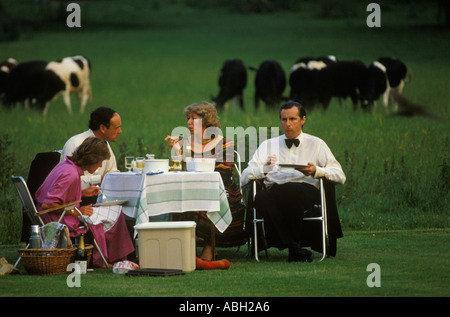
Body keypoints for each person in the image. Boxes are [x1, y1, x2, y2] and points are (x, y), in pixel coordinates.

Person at [240, 101, 346, 262]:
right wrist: (264, 169)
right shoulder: (268, 145)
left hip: (306, 191)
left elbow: (340, 175)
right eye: (284, 119)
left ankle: (293, 246)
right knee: (260, 198)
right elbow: (244, 177)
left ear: (303, 120)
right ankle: (294, 247)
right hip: (275, 191)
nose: (287, 124)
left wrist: (316, 171)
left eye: (292, 119)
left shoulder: (316, 144)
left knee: (291, 190)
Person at [165, 102, 246, 261]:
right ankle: (187, 248)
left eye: (193, 119)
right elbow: (178, 172)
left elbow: (223, 172)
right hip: (190, 190)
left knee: (207, 204)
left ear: (206, 121)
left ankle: (210, 246)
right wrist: (177, 152)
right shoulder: (183, 144)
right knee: (182, 202)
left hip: (222, 189)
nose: (188, 122)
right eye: (188, 118)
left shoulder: (225, 143)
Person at [36, 137, 134, 267]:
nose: (100, 165)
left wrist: (82, 192)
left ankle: (114, 258)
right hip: (56, 219)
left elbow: (58, 193)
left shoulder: (66, 165)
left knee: (110, 211)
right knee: (115, 213)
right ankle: (112, 259)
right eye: (100, 161)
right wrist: (76, 212)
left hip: (51, 215)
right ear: (91, 159)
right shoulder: (70, 174)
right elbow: (48, 205)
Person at [60, 106, 121, 191]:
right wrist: (101, 178)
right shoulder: (75, 144)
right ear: (102, 128)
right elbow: (71, 182)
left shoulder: (104, 143)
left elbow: (112, 172)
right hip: (78, 199)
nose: (120, 131)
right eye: (116, 128)